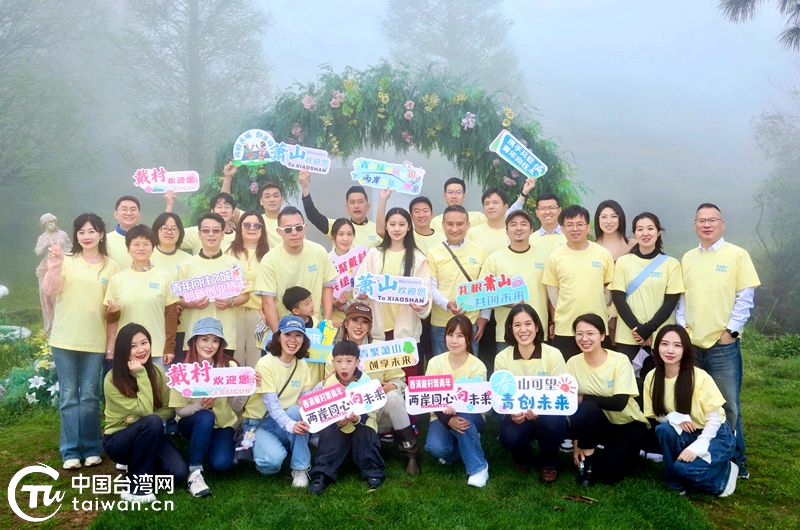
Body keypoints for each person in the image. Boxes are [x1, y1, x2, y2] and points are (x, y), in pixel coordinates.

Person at [676, 202, 760, 479]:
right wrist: (682, 330)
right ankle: (701, 453)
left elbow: (745, 298)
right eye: (701, 220)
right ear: (695, 225)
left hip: (722, 345)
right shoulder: (688, 258)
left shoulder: (737, 255)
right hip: (693, 344)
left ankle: (736, 459)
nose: (707, 224)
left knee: (728, 404)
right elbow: (683, 299)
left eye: (712, 220)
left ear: (722, 223)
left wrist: (731, 332)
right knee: (696, 401)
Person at [43, 213, 119, 469]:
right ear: (76, 236)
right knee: (68, 395)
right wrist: (54, 265)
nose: (87, 236)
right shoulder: (66, 260)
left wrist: (111, 344)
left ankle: (91, 447)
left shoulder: (111, 266)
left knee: (89, 395)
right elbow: (50, 290)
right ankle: (70, 451)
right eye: (82, 232)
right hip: (64, 339)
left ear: (101, 234)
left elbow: (112, 312)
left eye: (92, 231)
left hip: (94, 341)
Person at [643, 325, 738, 497]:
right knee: (663, 430)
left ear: (685, 349)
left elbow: (714, 419)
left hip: (715, 434)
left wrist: (699, 445)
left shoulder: (699, 377)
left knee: (686, 469)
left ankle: (725, 474)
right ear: (656, 347)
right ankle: (675, 481)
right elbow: (656, 414)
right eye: (664, 344)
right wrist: (673, 417)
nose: (670, 350)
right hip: (687, 432)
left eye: (677, 345)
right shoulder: (652, 377)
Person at [102, 323, 188, 504]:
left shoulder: (156, 372)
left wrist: (141, 419)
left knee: (178, 472)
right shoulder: (112, 379)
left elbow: (169, 408)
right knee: (151, 422)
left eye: (144, 343)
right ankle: (136, 487)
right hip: (118, 440)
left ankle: (139, 463)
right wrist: (141, 375)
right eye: (133, 346)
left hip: (150, 435)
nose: (141, 350)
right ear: (123, 349)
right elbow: (146, 411)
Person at [333, 303, 420, 475]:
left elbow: (400, 380)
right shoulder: (336, 348)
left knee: (394, 397)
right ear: (346, 323)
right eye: (355, 320)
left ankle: (410, 453)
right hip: (348, 414)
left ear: (370, 326)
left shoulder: (380, 348)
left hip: (377, 410)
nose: (359, 326)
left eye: (365, 322)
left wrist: (391, 386)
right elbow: (326, 386)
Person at [566, 314, 648, 486]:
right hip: (597, 423)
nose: (584, 338)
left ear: (602, 336)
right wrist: (576, 445)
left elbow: (619, 403)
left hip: (626, 424)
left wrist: (583, 397)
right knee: (587, 408)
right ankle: (588, 464)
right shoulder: (572, 363)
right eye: (579, 334)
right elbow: (573, 407)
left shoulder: (620, 361)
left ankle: (622, 452)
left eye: (590, 333)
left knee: (609, 474)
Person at [170, 318, 244, 497]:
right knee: (205, 417)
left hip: (222, 425)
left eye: (215, 341)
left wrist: (247, 388)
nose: (210, 346)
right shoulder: (182, 370)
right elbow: (179, 411)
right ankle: (195, 472)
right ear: (194, 341)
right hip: (192, 422)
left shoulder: (229, 367)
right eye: (204, 339)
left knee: (221, 464)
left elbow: (236, 407)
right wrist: (199, 405)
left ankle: (220, 443)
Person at [495, 305, 567, 482]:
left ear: (537, 326)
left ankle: (549, 462)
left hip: (547, 414)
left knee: (554, 424)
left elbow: (561, 392)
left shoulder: (553, 354)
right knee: (509, 435)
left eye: (528, 324)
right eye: (517, 325)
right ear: (510, 328)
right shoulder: (502, 357)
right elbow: (501, 395)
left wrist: (541, 410)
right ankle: (523, 457)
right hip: (517, 416)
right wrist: (511, 413)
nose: (523, 330)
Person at [242, 316, 314, 487]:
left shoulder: (302, 365)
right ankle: (260, 450)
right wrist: (291, 425)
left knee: (299, 412)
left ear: (303, 339)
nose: (293, 340)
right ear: (278, 336)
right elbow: (272, 405)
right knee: (272, 463)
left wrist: (325, 387)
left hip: (285, 419)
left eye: (298, 335)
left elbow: (307, 399)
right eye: (288, 334)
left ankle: (300, 468)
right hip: (259, 423)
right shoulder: (265, 363)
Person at [308, 340, 386, 494]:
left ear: (357, 362)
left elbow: (372, 411)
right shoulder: (330, 383)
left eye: (349, 361)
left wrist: (358, 419)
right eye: (339, 361)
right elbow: (326, 411)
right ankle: (321, 474)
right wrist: (338, 421)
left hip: (361, 423)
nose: (343, 366)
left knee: (366, 435)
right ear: (333, 363)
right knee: (329, 436)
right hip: (338, 426)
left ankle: (373, 472)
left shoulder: (366, 381)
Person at [354, 207, 431, 355]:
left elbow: (425, 296)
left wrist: (421, 306)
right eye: (392, 224)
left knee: (407, 369)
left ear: (409, 227)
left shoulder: (418, 258)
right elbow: (359, 286)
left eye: (401, 224)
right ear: (386, 226)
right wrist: (361, 295)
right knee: (379, 370)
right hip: (378, 331)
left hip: (406, 331)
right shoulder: (374, 254)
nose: (396, 229)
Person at [424, 315, 490, 487]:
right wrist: (448, 419)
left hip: (471, 415)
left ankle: (479, 468)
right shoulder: (435, 363)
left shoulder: (477, 366)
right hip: (440, 415)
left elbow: (477, 404)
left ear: (468, 338)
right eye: (450, 334)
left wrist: (456, 415)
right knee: (436, 448)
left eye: (460, 336)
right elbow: (430, 398)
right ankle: (466, 443)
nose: (454, 340)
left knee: (464, 420)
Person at [542, 205, 614, 360]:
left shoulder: (602, 254)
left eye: (580, 224)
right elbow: (554, 295)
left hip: (597, 329)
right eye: (569, 225)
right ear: (562, 228)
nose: (575, 229)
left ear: (588, 227)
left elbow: (608, 290)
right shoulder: (555, 257)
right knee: (566, 372)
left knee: (599, 370)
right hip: (566, 329)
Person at [610, 212, 684, 363]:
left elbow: (670, 303)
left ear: (658, 232)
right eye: (640, 229)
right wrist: (637, 329)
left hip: (662, 336)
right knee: (627, 376)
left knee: (660, 377)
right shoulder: (623, 262)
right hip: (628, 335)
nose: (645, 233)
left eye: (650, 228)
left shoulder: (671, 264)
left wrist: (649, 328)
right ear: (634, 234)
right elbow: (618, 298)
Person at [104, 225, 178, 370]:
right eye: (136, 244)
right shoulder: (117, 279)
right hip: (127, 350)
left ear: (153, 247)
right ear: (128, 248)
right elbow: (110, 320)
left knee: (158, 385)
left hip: (157, 350)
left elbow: (171, 316)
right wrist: (113, 312)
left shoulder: (164, 276)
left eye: (146, 244)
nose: (141, 248)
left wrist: (169, 347)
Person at [177, 213, 251, 356]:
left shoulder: (234, 265)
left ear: (223, 234)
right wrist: (191, 303)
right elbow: (177, 299)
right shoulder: (187, 266)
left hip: (225, 336)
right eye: (206, 231)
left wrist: (230, 302)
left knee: (223, 370)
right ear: (199, 235)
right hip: (195, 336)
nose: (211, 235)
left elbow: (245, 295)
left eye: (216, 231)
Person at [256, 206, 337, 334]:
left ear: (305, 228)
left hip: (314, 329)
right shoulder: (269, 260)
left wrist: (326, 322)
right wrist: (278, 335)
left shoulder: (319, 252)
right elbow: (268, 302)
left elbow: (327, 287)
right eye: (288, 229)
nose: (294, 233)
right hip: (283, 328)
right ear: (279, 232)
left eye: (298, 228)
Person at [480, 210, 551, 354]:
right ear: (506, 231)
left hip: (538, 329)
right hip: (506, 332)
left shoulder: (545, 257)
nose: (518, 228)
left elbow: (551, 295)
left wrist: (553, 322)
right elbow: (483, 295)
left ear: (531, 229)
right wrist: (507, 302)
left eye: (523, 224)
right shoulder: (494, 259)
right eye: (513, 224)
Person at [426, 205, 487, 355]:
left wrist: (484, 317)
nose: (454, 229)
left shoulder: (479, 251)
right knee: (442, 367)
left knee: (470, 367)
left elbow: (486, 287)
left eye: (459, 224)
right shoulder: (433, 252)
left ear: (468, 225)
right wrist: (447, 304)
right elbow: (431, 286)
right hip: (441, 324)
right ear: (443, 225)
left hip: (470, 322)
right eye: (450, 224)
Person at [227, 210, 270, 368]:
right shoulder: (228, 252)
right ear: (240, 227)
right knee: (233, 357)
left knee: (257, 359)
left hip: (259, 314)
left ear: (262, 229)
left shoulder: (269, 255)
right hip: (232, 311)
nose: (251, 228)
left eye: (256, 225)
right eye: (246, 225)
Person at [299, 170, 380, 248]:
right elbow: (313, 215)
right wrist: (305, 187)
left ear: (368, 206)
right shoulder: (337, 226)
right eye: (352, 202)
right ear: (347, 207)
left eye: (360, 201)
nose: (356, 206)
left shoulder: (378, 230)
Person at [151, 212, 192, 363]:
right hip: (152, 324)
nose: (169, 232)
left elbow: (193, 291)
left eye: (174, 228)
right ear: (156, 230)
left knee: (177, 371)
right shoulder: (147, 256)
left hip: (181, 327)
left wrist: (182, 303)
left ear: (180, 232)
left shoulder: (189, 260)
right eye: (165, 228)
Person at [220, 161, 285, 249]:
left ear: (282, 200)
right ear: (261, 201)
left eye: (276, 196)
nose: (272, 199)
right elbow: (226, 204)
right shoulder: (254, 221)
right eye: (267, 196)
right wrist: (228, 177)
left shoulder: (290, 222)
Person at [429, 177, 529, 232]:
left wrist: (523, 194)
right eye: (450, 192)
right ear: (444, 195)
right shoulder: (435, 222)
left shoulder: (477, 217)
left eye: (458, 192)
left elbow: (504, 215)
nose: (454, 196)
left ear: (464, 196)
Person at [466, 184, 533, 256]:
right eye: (487, 203)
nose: (491, 207)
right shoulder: (472, 234)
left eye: (495, 203)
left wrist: (524, 193)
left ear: (505, 207)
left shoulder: (517, 232)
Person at [34, 213, 72, 334]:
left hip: (62, 266)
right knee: (46, 299)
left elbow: (71, 247)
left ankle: (63, 326)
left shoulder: (62, 234)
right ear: (44, 225)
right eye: (48, 223)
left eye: (52, 222)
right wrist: (44, 246)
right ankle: (49, 327)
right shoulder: (42, 237)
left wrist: (63, 253)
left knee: (61, 297)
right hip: (46, 268)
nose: (51, 225)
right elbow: (37, 251)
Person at [375, 191, 444, 254]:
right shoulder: (406, 237)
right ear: (411, 216)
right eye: (417, 211)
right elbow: (380, 231)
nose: (421, 215)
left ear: (432, 214)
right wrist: (383, 199)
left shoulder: (443, 237)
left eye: (425, 211)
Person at [328, 218, 357, 323]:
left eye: (349, 234)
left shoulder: (360, 257)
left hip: (358, 315)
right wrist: (334, 303)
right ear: (334, 236)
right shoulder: (327, 259)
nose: (345, 239)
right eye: (341, 234)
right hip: (335, 318)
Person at [106, 196, 142, 268]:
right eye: (124, 209)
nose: (129, 213)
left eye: (133, 209)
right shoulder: (105, 240)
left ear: (139, 215)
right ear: (116, 214)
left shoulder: (148, 239)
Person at [529, 193, 566, 257]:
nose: (547, 212)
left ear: (559, 210)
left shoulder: (569, 235)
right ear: (537, 212)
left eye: (552, 208)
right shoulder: (530, 239)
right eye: (543, 208)